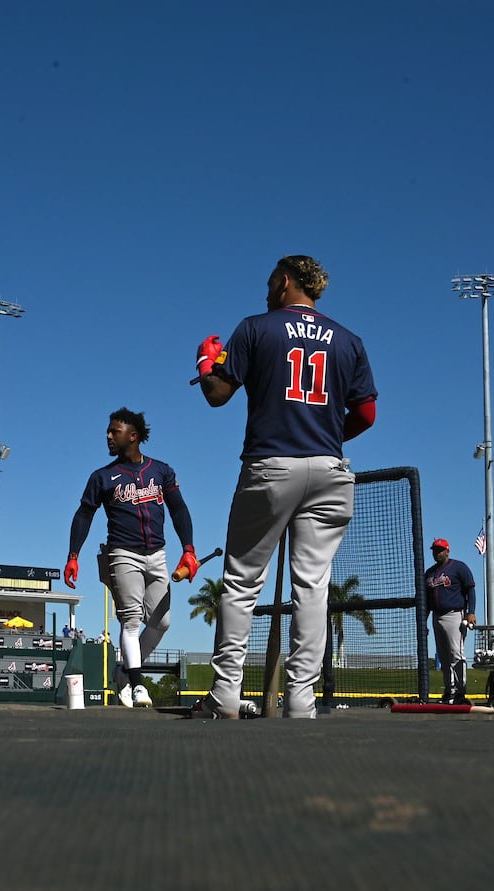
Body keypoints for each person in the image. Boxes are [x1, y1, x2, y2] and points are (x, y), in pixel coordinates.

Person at [192, 255, 377, 719]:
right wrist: (327, 435)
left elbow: (217, 394)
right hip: (330, 467)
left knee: (240, 581)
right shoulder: (349, 339)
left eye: (270, 281)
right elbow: (367, 415)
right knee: (312, 587)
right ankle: (301, 702)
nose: (266, 290)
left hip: (271, 464)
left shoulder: (258, 327)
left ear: (285, 281)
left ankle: (226, 697)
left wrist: (204, 359)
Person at [64, 408, 198, 708]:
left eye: (115, 431)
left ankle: (124, 671)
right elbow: (84, 514)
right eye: (109, 432)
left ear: (133, 435)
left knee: (162, 622)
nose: (109, 436)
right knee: (131, 621)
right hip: (123, 554)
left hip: (158, 554)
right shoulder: (102, 476)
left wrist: (188, 549)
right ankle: (138, 686)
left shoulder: (161, 471)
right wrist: (73, 555)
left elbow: (178, 509)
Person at [423, 537, 476, 704]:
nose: (436, 553)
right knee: (443, 656)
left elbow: (470, 590)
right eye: (434, 550)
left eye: (439, 550)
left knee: (456, 653)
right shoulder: (429, 573)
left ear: (447, 550)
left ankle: (461, 691)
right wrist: (423, 622)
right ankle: (449, 691)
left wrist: (471, 612)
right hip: (436, 616)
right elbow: (426, 601)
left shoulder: (459, 567)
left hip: (455, 614)